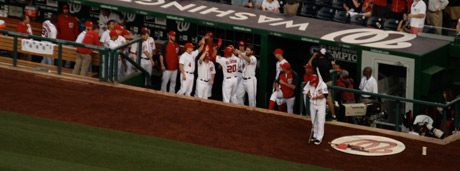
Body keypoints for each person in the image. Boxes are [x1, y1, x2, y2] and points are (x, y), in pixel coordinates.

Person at [308, 48, 336, 121]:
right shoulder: (328, 61)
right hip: (328, 81)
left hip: (322, 83)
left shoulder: (317, 61)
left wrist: (313, 57)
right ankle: (332, 115)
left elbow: (309, 64)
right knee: (326, 99)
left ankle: (332, 116)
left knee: (326, 99)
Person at [303, 74, 328, 145]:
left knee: (320, 121)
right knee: (313, 120)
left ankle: (319, 138)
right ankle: (315, 135)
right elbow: (304, 90)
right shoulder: (309, 83)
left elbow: (325, 95)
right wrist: (310, 95)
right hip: (312, 104)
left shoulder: (323, 85)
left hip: (321, 105)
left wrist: (316, 96)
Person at [198, 31, 219, 98]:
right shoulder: (204, 43)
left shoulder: (214, 45)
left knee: (209, 88)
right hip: (203, 62)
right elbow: (199, 44)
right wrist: (204, 38)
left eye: (211, 37)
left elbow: (214, 55)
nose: (210, 38)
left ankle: (207, 98)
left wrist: (218, 47)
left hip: (211, 64)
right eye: (209, 37)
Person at [234, 40, 247, 105]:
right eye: (240, 46)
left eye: (242, 46)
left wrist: (238, 53)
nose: (241, 47)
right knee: (236, 90)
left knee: (242, 92)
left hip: (243, 74)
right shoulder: (236, 52)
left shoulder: (246, 54)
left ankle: (242, 105)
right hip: (237, 72)